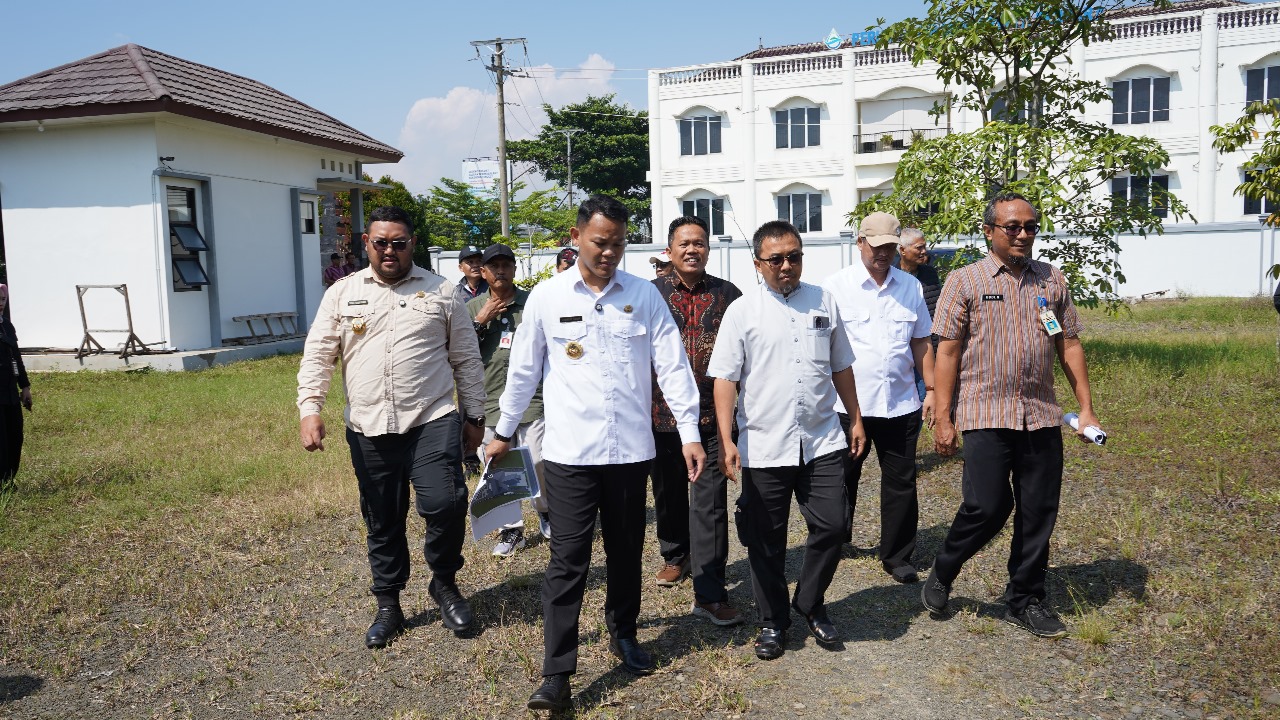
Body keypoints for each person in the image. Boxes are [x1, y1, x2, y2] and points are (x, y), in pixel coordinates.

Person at [485, 195, 706, 712]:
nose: (609, 253)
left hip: (630, 451)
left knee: (626, 551)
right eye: (600, 243)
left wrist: (689, 432)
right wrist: (503, 431)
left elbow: (672, 366)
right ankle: (557, 671)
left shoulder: (644, 295)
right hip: (570, 453)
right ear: (577, 236)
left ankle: (623, 632)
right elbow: (523, 371)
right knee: (568, 559)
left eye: (619, 245)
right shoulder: (546, 297)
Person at [297, 206, 486, 649]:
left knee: (446, 503)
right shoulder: (342, 293)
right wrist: (310, 408)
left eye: (398, 243)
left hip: (431, 418)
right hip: (368, 425)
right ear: (366, 243)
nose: (389, 251)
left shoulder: (441, 291)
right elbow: (319, 354)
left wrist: (475, 416)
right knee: (382, 516)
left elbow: (466, 358)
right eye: (380, 242)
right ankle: (388, 604)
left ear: (412, 244)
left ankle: (444, 583)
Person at [924, 192, 1103, 639]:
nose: (1023, 234)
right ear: (990, 231)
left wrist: (1086, 409)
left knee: (1038, 511)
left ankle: (1025, 599)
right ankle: (945, 566)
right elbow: (947, 352)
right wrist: (943, 417)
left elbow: (1069, 343)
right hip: (984, 411)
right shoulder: (965, 281)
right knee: (987, 506)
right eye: (1013, 227)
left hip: (1039, 413)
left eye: (1030, 226)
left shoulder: (1051, 279)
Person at [708, 220, 867, 661]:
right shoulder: (742, 311)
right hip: (764, 444)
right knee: (765, 540)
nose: (786, 265)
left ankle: (810, 601)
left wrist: (855, 418)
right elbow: (725, 379)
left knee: (833, 525)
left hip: (821, 439)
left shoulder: (823, 300)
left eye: (794, 256)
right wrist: (726, 438)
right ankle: (773, 621)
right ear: (757, 263)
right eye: (775, 258)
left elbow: (841, 365)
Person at [823, 212, 935, 585]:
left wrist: (932, 390)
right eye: (876, 247)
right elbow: (823, 346)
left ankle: (898, 555)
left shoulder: (910, 287)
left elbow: (921, 341)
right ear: (860, 243)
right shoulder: (836, 287)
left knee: (901, 481)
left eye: (890, 246)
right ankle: (834, 539)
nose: (883, 253)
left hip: (900, 403)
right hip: (848, 405)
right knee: (841, 476)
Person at [649, 216, 745, 626]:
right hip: (659, 415)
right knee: (668, 492)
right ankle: (676, 555)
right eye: (684, 243)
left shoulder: (728, 294)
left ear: (708, 248)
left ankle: (710, 593)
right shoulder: (650, 294)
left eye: (700, 243)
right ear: (669, 250)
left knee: (710, 505)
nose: (692, 249)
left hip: (712, 416)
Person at [466, 243, 551, 557]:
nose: (500, 271)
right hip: (489, 400)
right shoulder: (471, 308)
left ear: (514, 269)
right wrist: (481, 320)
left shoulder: (533, 303)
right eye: (494, 266)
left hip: (533, 398)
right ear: (483, 271)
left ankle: (546, 511)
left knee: (539, 460)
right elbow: (457, 351)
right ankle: (511, 529)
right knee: (498, 466)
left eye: (506, 265)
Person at [896, 227, 941, 401]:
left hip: (928, 349)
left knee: (926, 398)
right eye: (919, 248)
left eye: (924, 247)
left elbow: (935, 309)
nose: (924, 252)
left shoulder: (929, 273)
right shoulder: (892, 277)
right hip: (904, 352)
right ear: (902, 250)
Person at [0, 284, 32, 491]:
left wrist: (25, 386)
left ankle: (9, 479)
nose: (0, 304)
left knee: (15, 436)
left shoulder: (7, 326)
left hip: (10, 392)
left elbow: (16, 358)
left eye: (3, 300)